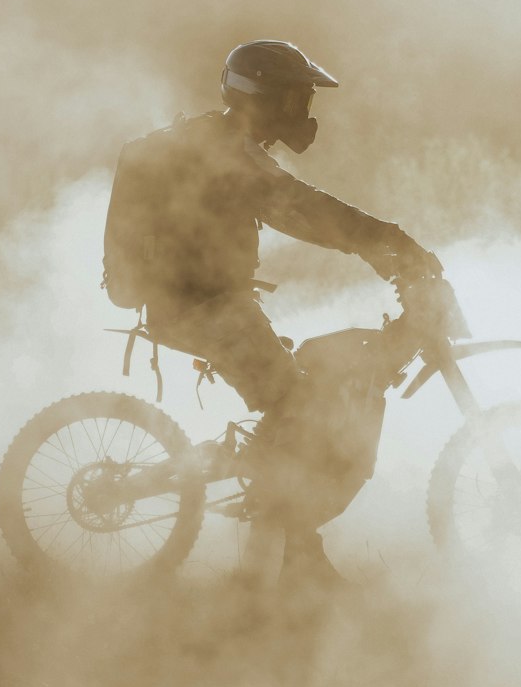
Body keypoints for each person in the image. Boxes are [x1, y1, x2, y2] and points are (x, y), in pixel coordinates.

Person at [144, 39, 439, 585]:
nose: (304, 113)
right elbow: (302, 210)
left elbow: (297, 208)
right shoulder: (227, 151)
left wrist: (382, 248)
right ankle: (287, 561)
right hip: (199, 307)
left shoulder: (227, 141)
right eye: (296, 100)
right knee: (297, 405)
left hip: (209, 300)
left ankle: (286, 550)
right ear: (268, 99)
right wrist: (389, 243)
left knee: (299, 397)